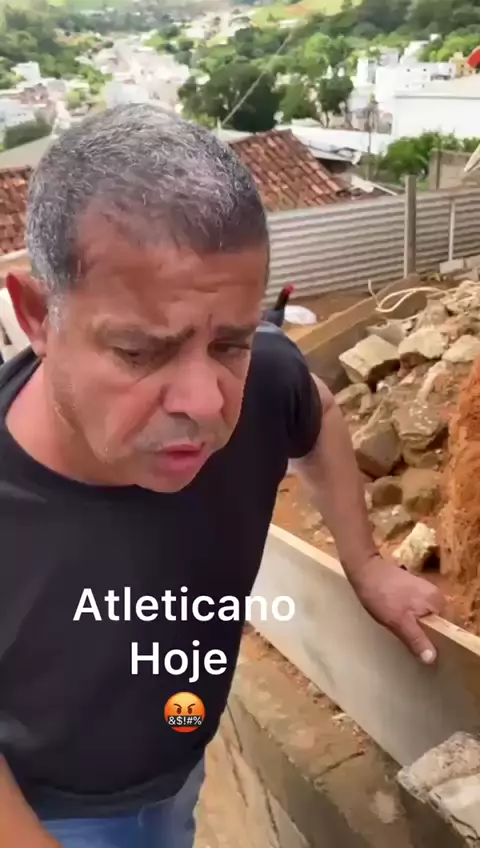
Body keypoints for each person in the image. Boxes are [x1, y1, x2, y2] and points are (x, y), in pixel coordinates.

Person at [0, 103, 444, 848]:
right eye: (141, 352)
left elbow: (314, 407)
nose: (204, 404)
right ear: (39, 317)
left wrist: (365, 562)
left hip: (181, 769)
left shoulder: (263, 381)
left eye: (229, 344)